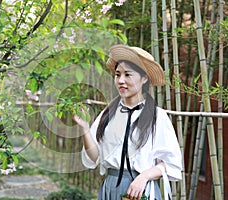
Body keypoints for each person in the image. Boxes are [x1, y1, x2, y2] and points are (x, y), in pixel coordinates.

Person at [73, 44, 182, 200]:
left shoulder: (158, 116)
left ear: (144, 78)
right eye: (118, 75)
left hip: (141, 190)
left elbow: (171, 163)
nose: (121, 80)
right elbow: (94, 157)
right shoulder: (108, 113)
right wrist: (85, 129)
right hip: (110, 188)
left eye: (128, 75)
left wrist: (143, 177)